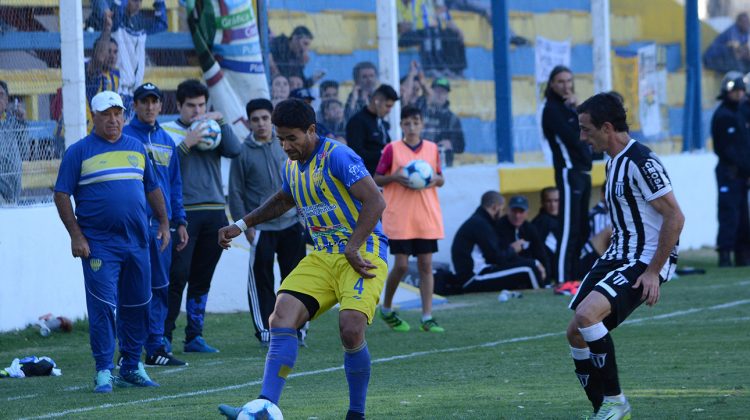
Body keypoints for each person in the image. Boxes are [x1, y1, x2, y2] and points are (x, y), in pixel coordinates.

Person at [217, 98, 388, 420]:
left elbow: (376, 202)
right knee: (280, 317)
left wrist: (353, 246)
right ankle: (265, 405)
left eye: (291, 138)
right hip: (323, 255)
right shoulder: (292, 166)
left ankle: (356, 414)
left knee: (351, 328)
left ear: (311, 130)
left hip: (362, 251)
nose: (285, 145)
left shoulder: (337, 156)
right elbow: (283, 199)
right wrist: (240, 224)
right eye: (280, 139)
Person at [568, 93, 683, 419]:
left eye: (586, 129)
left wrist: (653, 271)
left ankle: (617, 401)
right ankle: (603, 410)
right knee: (575, 331)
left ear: (607, 128)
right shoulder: (612, 161)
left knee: (588, 316)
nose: (582, 137)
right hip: (618, 254)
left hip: (643, 258)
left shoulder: (641, 162)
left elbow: (675, 217)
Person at [53, 91, 169, 392]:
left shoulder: (137, 147)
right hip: (99, 245)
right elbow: (61, 194)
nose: (113, 119)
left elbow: (152, 187)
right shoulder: (78, 152)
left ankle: (131, 365)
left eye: (118, 113)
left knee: (139, 305)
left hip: (138, 242)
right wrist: (76, 235)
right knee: (104, 307)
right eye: (106, 114)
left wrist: (165, 222)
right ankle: (104, 369)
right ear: (94, 116)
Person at [161, 79, 241, 353]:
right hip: (184, 214)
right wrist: (187, 143)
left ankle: (194, 336)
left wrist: (221, 120)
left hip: (215, 211)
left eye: (201, 105)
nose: (197, 111)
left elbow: (234, 150)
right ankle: (164, 336)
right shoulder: (167, 131)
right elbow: (165, 169)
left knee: (203, 276)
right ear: (179, 106)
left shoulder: (212, 128)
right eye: (191, 106)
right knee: (177, 275)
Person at [228, 98, 307, 347]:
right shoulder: (241, 152)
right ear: (249, 123)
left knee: (296, 280)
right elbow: (236, 192)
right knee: (262, 282)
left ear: (272, 119)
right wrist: (247, 227)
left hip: (292, 224)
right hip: (262, 229)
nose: (261, 123)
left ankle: (298, 331)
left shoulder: (285, 146)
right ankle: (265, 332)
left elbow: (302, 182)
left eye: (265, 118)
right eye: (255, 119)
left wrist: (304, 217)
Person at [122, 83, 189, 366]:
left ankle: (156, 347)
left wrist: (180, 221)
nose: (150, 107)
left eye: (154, 101)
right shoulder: (124, 136)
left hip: (161, 226)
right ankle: (129, 348)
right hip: (133, 225)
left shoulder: (167, 140)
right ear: (135, 105)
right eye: (144, 102)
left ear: (161, 106)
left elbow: (174, 185)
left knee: (160, 286)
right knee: (132, 288)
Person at [374, 105, 446, 333]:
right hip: (400, 217)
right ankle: (386, 308)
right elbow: (376, 178)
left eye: (416, 122)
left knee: (426, 265)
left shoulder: (433, 149)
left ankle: (427, 316)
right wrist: (395, 177)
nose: (412, 126)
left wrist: (433, 180)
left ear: (422, 124)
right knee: (402, 265)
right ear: (401, 125)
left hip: (426, 216)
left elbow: (440, 178)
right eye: (407, 122)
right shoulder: (391, 149)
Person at [542, 65, 592, 284]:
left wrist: (577, 110)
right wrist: (578, 114)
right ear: (552, 84)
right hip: (568, 172)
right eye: (560, 81)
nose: (566, 86)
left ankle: (575, 277)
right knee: (569, 229)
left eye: (569, 81)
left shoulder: (571, 110)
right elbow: (576, 137)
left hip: (583, 172)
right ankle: (563, 280)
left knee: (582, 229)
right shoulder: (552, 110)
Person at [87, 0, 168, 120]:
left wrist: (159, 2)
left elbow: (162, 24)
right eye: (134, 1)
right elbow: (116, 14)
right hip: (117, 89)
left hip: (134, 93)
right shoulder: (116, 22)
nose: (138, 4)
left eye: (140, 1)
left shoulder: (140, 23)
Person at [452, 191, 543, 292]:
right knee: (529, 268)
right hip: (473, 278)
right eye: (502, 209)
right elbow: (497, 258)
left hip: (478, 273)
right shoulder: (480, 224)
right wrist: (513, 249)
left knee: (529, 265)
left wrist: (534, 261)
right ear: (495, 207)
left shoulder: (480, 221)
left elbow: (496, 255)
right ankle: (541, 295)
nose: (502, 213)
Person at [711, 71, 750, 267]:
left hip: (741, 174)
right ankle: (725, 255)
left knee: (743, 216)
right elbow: (726, 150)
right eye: (735, 91)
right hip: (729, 173)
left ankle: (742, 255)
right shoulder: (723, 115)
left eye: (741, 90)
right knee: (729, 214)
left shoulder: (740, 114)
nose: (739, 94)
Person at [345, 84, 399, 175]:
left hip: (384, 177)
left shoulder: (382, 123)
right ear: (376, 101)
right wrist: (382, 154)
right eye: (387, 106)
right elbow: (355, 154)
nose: (389, 110)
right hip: (366, 178)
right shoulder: (357, 121)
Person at [495, 195, 548, 286]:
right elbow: (500, 257)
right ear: (508, 211)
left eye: (521, 212)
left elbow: (540, 253)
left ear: (527, 212)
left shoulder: (530, 228)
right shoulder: (499, 227)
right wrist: (512, 249)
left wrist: (546, 275)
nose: (517, 215)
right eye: (514, 211)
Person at [419, 77, 464, 167]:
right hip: (418, 162)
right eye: (437, 91)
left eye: (443, 92)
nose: (440, 95)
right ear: (430, 92)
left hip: (442, 167)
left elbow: (461, 146)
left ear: (447, 95)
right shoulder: (419, 111)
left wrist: (450, 144)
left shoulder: (452, 118)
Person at [0, 80, 27, 206]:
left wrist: (22, 123)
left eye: (1, 95)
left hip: (13, 186)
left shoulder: (13, 122)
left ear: (6, 100)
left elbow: (24, 153)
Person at [532, 187, 560, 281]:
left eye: (556, 201)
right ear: (543, 203)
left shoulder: (563, 219)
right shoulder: (542, 222)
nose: (553, 205)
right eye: (549, 201)